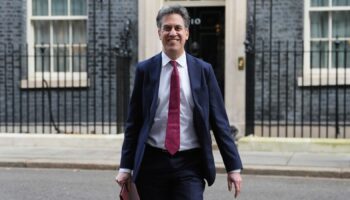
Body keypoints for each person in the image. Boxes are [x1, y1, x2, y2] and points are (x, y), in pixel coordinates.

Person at [115, 5, 243, 200]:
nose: (172, 33)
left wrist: (233, 167)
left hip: (189, 164)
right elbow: (134, 123)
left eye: (177, 28)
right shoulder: (145, 70)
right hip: (152, 162)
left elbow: (219, 121)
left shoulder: (203, 71)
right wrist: (125, 167)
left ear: (186, 33)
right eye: (167, 28)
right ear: (159, 33)